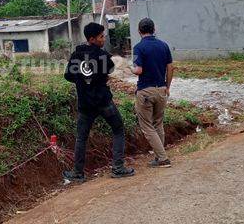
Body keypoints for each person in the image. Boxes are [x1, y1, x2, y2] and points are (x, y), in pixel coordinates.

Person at [63, 22, 135, 183]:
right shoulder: (103, 56)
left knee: (81, 137)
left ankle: (77, 173)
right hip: (103, 101)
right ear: (92, 39)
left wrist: (81, 80)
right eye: (101, 36)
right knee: (118, 130)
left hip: (85, 104)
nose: (104, 39)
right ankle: (118, 168)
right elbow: (109, 70)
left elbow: (67, 76)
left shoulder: (76, 55)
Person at [131, 18, 174, 168]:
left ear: (139, 31)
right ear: (154, 29)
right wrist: (167, 87)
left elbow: (138, 70)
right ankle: (159, 156)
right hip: (161, 89)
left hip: (145, 91)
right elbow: (170, 68)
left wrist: (127, 68)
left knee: (147, 126)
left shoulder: (138, 48)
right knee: (158, 124)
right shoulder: (164, 45)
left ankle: (162, 158)